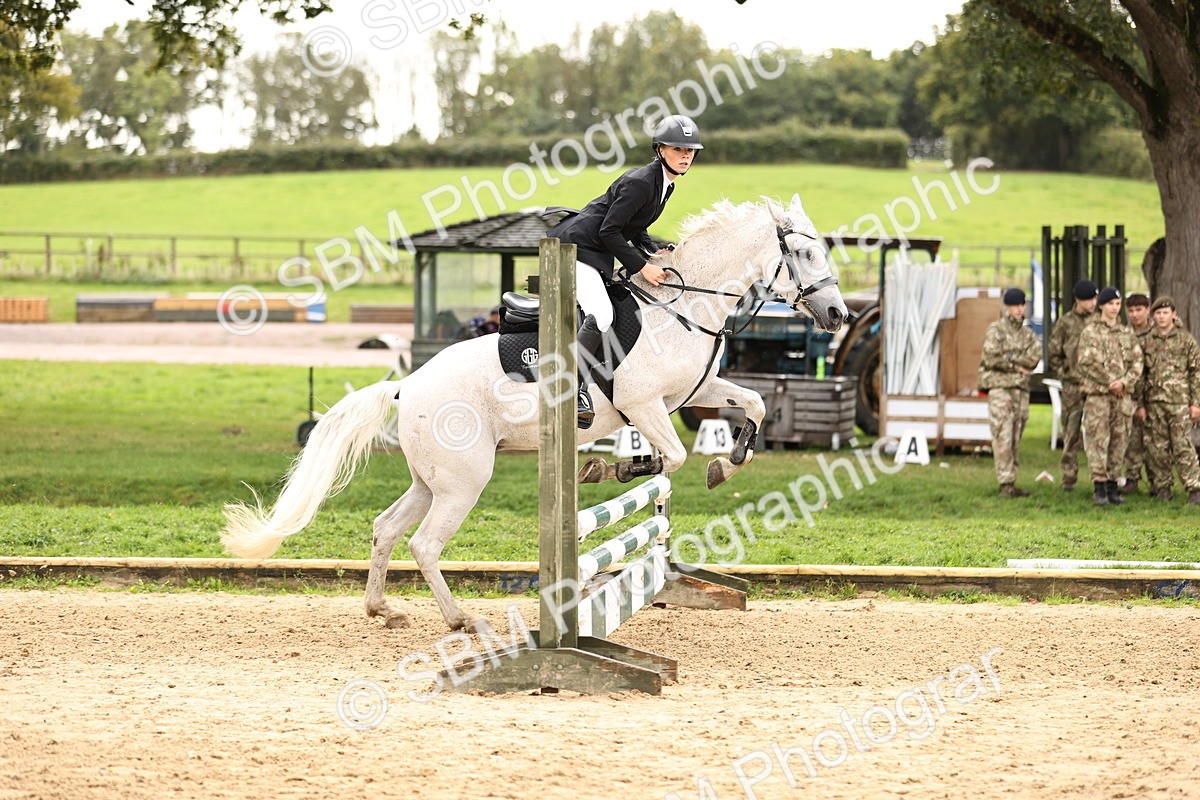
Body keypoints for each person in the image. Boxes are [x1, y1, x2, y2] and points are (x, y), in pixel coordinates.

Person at [546, 114, 701, 428]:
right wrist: (642, 267)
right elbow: (609, 231)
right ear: (660, 150)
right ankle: (570, 388)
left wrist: (652, 250)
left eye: (690, 151)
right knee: (601, 314)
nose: (685, 156)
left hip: (596, 251)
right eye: (677, 149)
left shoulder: (664, 184)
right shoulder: (641, 182)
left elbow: (636, 225)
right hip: (575, 250)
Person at [1076, 287, 1143, 506]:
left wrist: (1124, 382)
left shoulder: (1126, 333)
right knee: (1098, 440)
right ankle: (1099, 487)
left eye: (1117, 304)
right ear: (1102, 305)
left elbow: (1137, 362)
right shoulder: (1091, 331)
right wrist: (1110, 382)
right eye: (1110, 304)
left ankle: (1113, 486)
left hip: (1122, 396)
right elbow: (1086, 362)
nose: (1114, 308)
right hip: (1099, 396)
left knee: (1119, 440)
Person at [978, 287, 1042, 497]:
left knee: (1016, 436)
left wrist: (1008, 357)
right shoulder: (996, 330)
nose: (1019, 309)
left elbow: (1034, 358)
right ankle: (1005, 483)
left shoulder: (1028, 334)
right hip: (1001, 391)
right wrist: (1016, 365)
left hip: (1021, 392)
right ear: (1007, 306)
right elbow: (991, 358)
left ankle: (1011, 482)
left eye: (1022, 305)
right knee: (1002, 435)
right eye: (1015, 305)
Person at [1137, 296, 1200, 504]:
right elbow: (1141, 375)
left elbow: (1196, 373)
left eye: (1165, 312)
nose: (1162, 316)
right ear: (1153, 316)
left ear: (1174, 314)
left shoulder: (1186, 340)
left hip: (1179, 403)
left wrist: (1196, 403)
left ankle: (1194, 488)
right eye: (1158, 313)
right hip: (1154, 402)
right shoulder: (1147, 341)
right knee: (1157, 448)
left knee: (1183, 446)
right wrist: (1140, 404)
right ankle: (1163, 488)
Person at [1048, 279, 1098, 489]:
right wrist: (1064, 373)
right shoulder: (1065, 322)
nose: (1093, 303)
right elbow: (1054, 352)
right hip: (1073, 385)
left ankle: (1100, 478)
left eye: (1095, 299)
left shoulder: (1100, 320)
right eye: (1089, 300)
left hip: (1096, 386)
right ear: (1078, 300)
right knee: (1071, 432)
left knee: (1098, 432)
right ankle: (1069, 477)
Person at [1120, 293, 1152, 493]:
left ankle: (1158, 481)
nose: (1134, 315)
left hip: (1157, 393)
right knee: (1133, 439)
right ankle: (1132, 478)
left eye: (1139, 310)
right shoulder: (1125, 335)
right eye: (1130, 311)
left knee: (1156, 441)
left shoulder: (1158, 333)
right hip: (1132, 394)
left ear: (1147, 309)